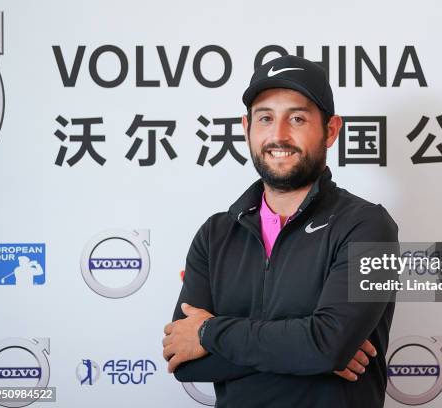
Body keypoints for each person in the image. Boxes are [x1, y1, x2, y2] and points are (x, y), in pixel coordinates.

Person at [162, 55, 398, 407]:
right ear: (246, 127)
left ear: (331, 130)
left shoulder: (369, 227)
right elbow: (183, 359)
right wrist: (309, 349)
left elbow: (326, 348)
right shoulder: (215, 234)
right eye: (265, 118)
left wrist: (209, 332)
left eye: (298, 118)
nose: (278, 135)